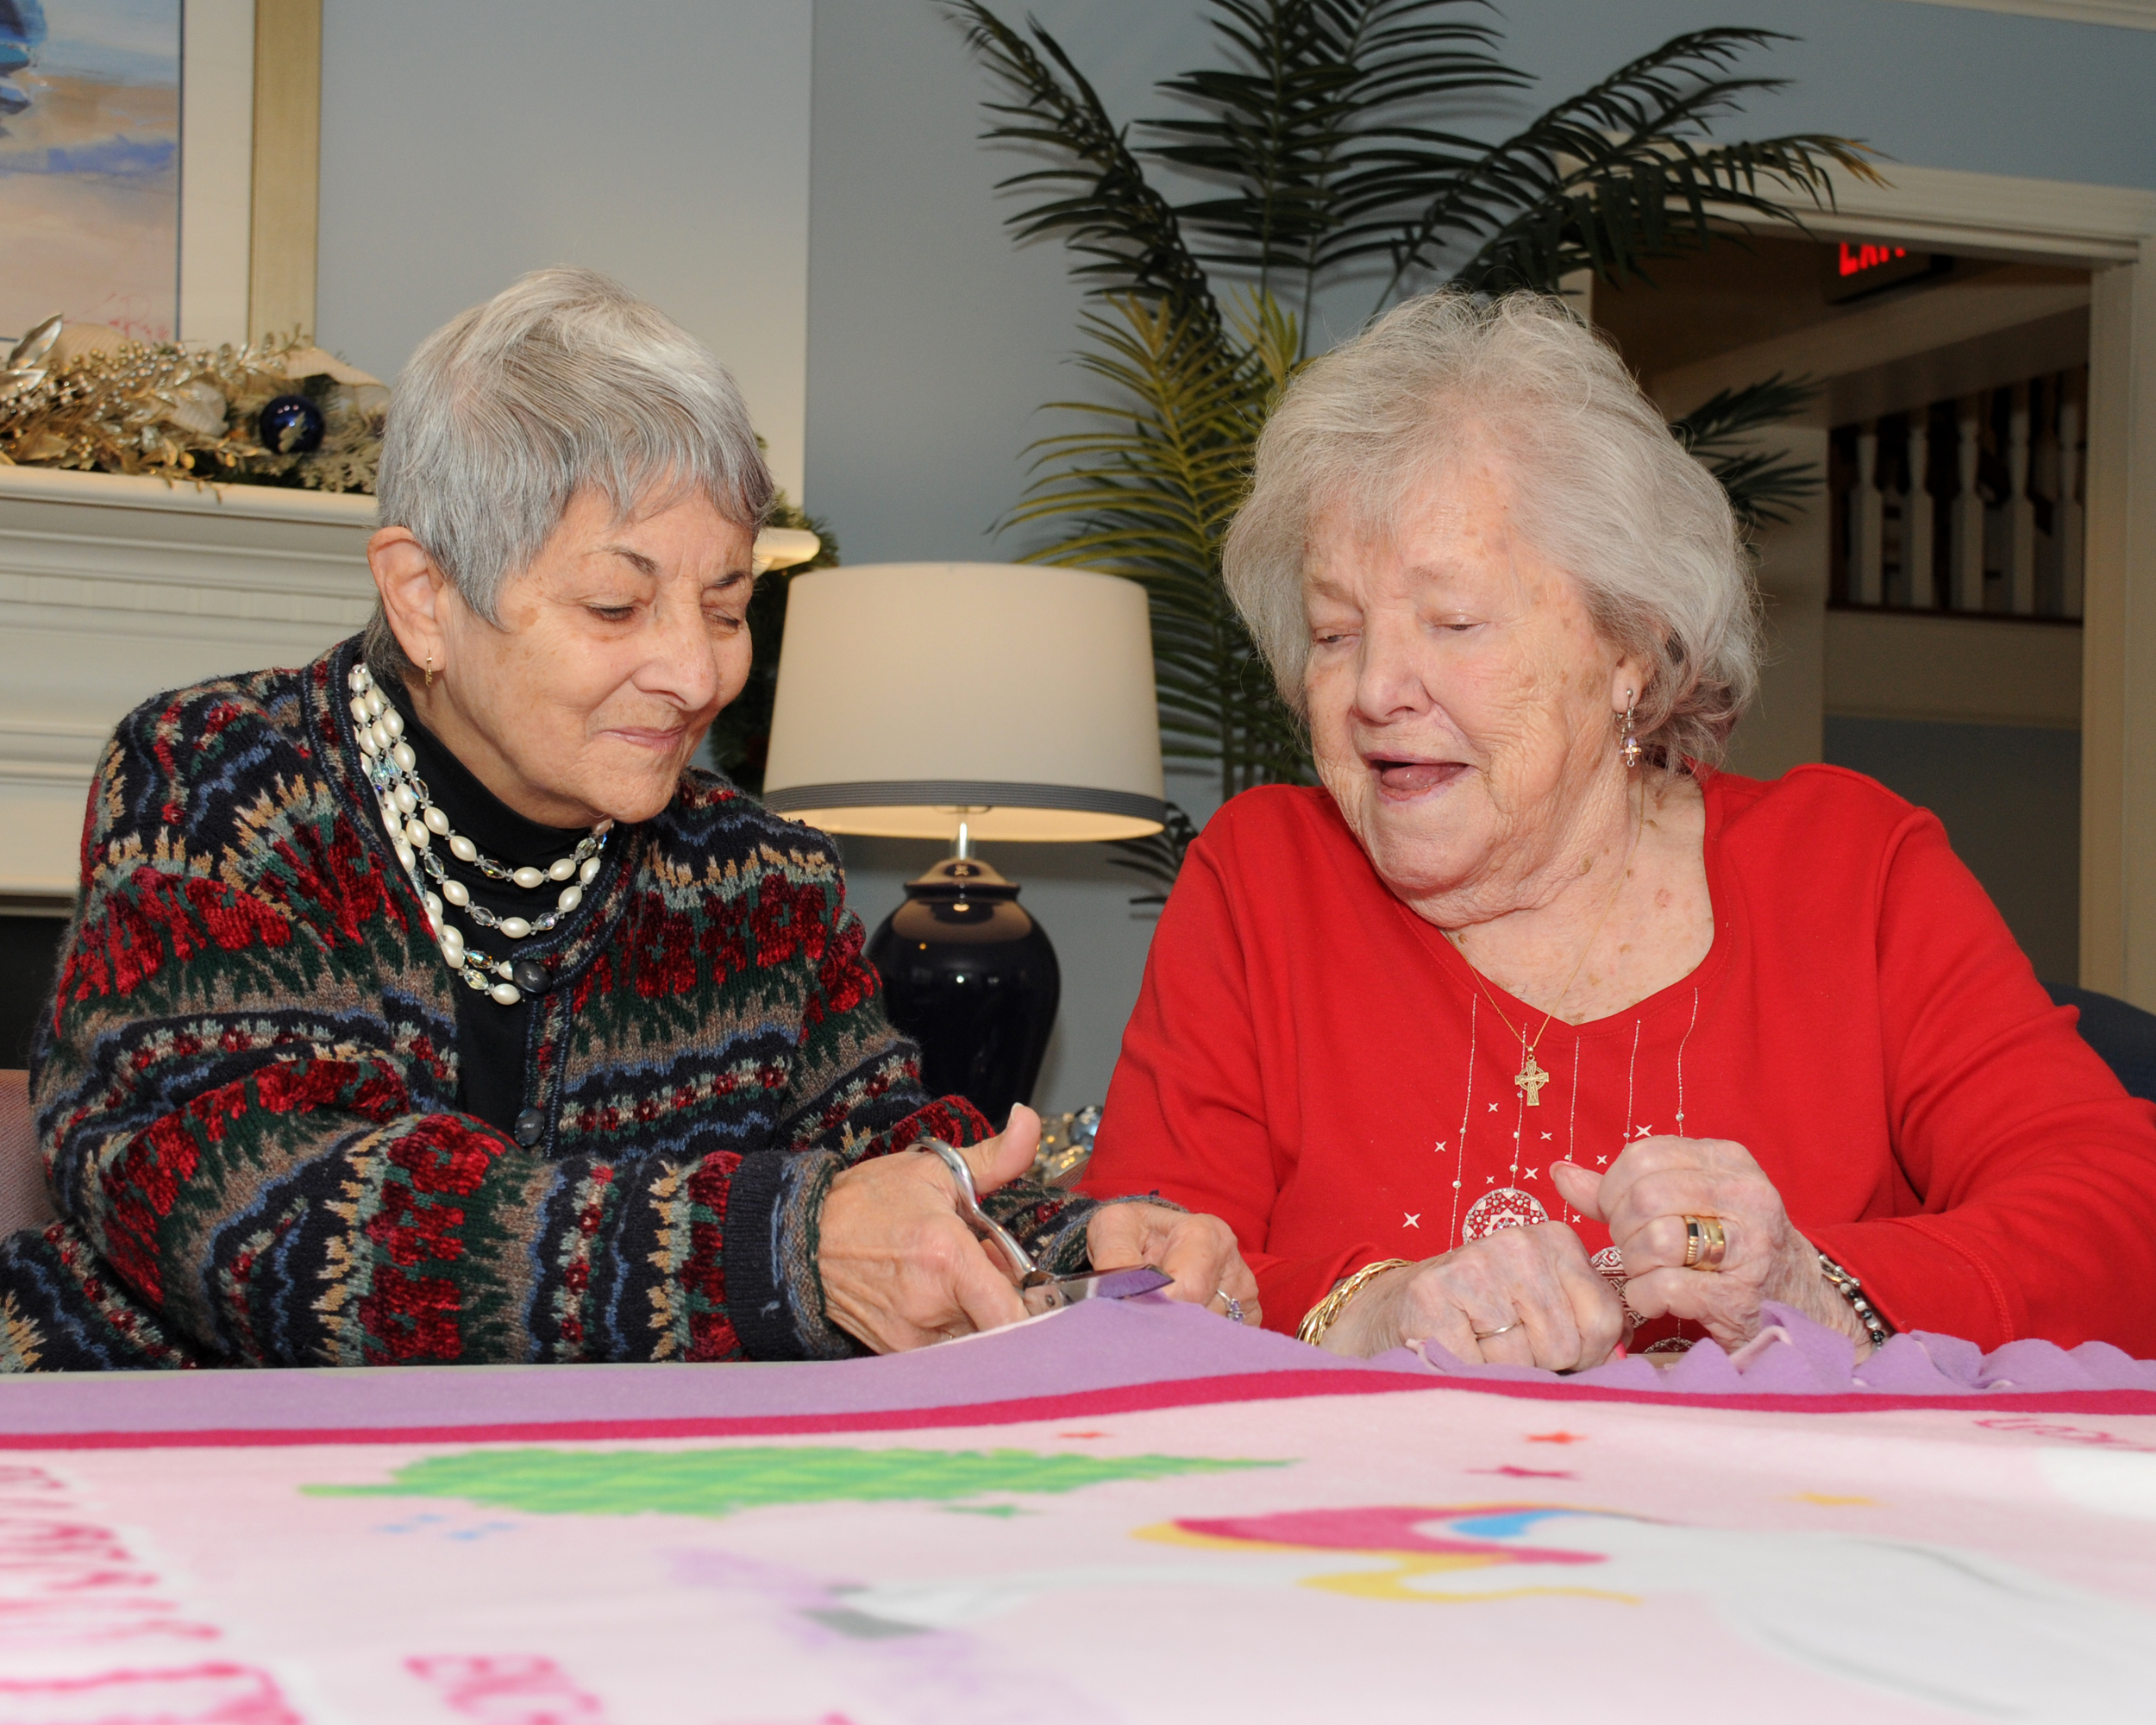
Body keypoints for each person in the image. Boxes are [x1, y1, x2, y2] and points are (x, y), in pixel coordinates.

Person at [0, 267, 1252, 1371]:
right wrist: (772, 1250)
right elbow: (265, 1218)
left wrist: (1087, 1245)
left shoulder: (754, 879)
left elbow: (895, 1166)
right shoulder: (218, 787)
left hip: (580, 1516)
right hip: (145, 1477)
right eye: (616, 607)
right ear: (424, 596)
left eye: (723, 605)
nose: (694, 674)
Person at [1082, 290, 2156, 1369]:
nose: (1374, 688)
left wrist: (1810, 1287)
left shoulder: (1847, 872)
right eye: (1333, 631)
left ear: (1628, 649)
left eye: (1454, 622)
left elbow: (2117, 1220)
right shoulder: (1267, 878)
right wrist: (1369, 1310)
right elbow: (1143, 1280)